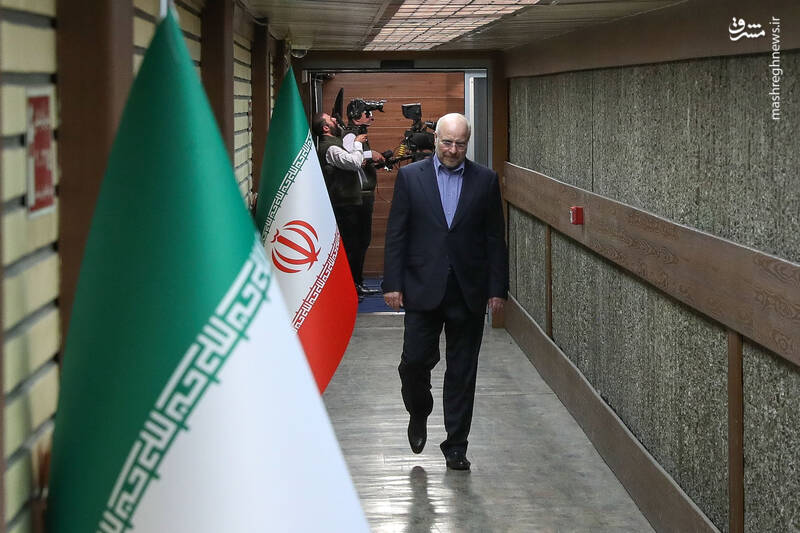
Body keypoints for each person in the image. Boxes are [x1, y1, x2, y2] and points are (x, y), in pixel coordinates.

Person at [382, 112, 508, 471]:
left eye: (460, 144)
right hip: (422, 287)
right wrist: (392, 283)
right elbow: (397, 233)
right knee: (414, 363)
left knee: (462, 371)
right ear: (435, 139)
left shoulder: (485, 180)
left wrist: (497, 288)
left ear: (468, 143)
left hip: (468, 290)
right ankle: (419, 410)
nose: (453, 150)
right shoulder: (410, 177)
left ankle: (456, 445)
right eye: (447, 142)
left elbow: (494, 238)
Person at [311, 112, 368, 297]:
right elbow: (354, 163)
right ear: (326, 128)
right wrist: (357, 144)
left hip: (347, 202)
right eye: (331, 120)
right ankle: (350, 288)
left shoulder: (334, 144)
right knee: (350, 246)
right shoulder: (330, 148)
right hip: (344, 204)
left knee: (355, 244)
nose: (336, 120)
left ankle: (354, 285)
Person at [342, 100, 385, 296]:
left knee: (362, 241)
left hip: (363, 196)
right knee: (356, 242)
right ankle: (353, 285)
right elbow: (349, 157)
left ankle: (357, 283)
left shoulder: (359, 134)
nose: (371, 117)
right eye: (367, 114)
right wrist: (370, 153)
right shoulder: (350, 135)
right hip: (356, 198)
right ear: (357, 116)